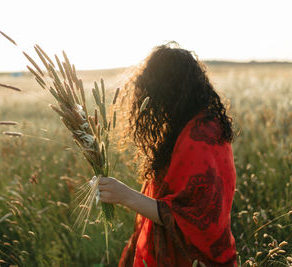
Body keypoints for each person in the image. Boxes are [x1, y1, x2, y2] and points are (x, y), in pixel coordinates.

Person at [97, 43, 237, 266]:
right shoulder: (199, 123)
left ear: (170, 90)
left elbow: (188, 217)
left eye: (155, 92)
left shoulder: (199, 136)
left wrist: (123, 195)